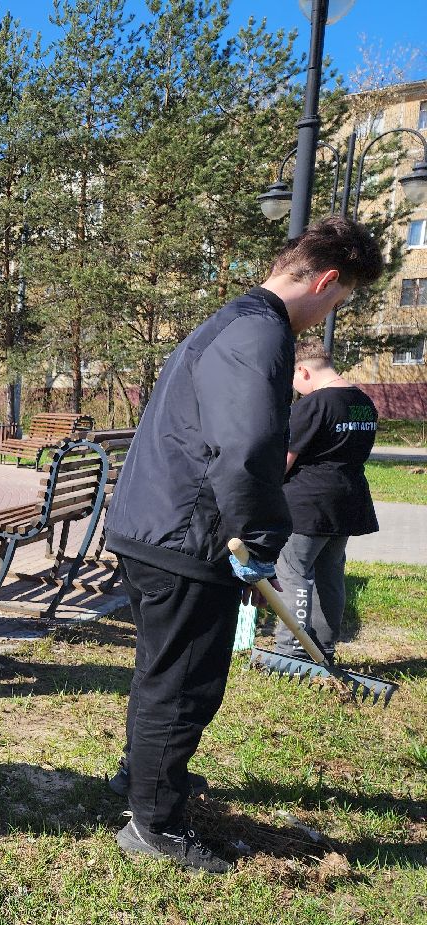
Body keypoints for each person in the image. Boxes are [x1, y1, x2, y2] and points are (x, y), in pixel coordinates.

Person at [104, 216, 384, 873]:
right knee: (185, 684)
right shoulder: (261, 333)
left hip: (160, 525)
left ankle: (141, 778)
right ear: (326, 280)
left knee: (163, 672)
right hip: (188, 535)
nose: (327, 317)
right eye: (338, 303)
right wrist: (259, 540)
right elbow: (248, 446)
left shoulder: (233, 321)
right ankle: (154, 824)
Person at [273, 338, 379, 663]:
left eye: (292, 378)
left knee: (294, 574)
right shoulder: (363, 402)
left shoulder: (312, 405)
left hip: (307, 505)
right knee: (330, 575)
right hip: (347, 502)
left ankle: (292, 652)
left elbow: (283, 461)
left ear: (303, 371)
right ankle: (323, 649)